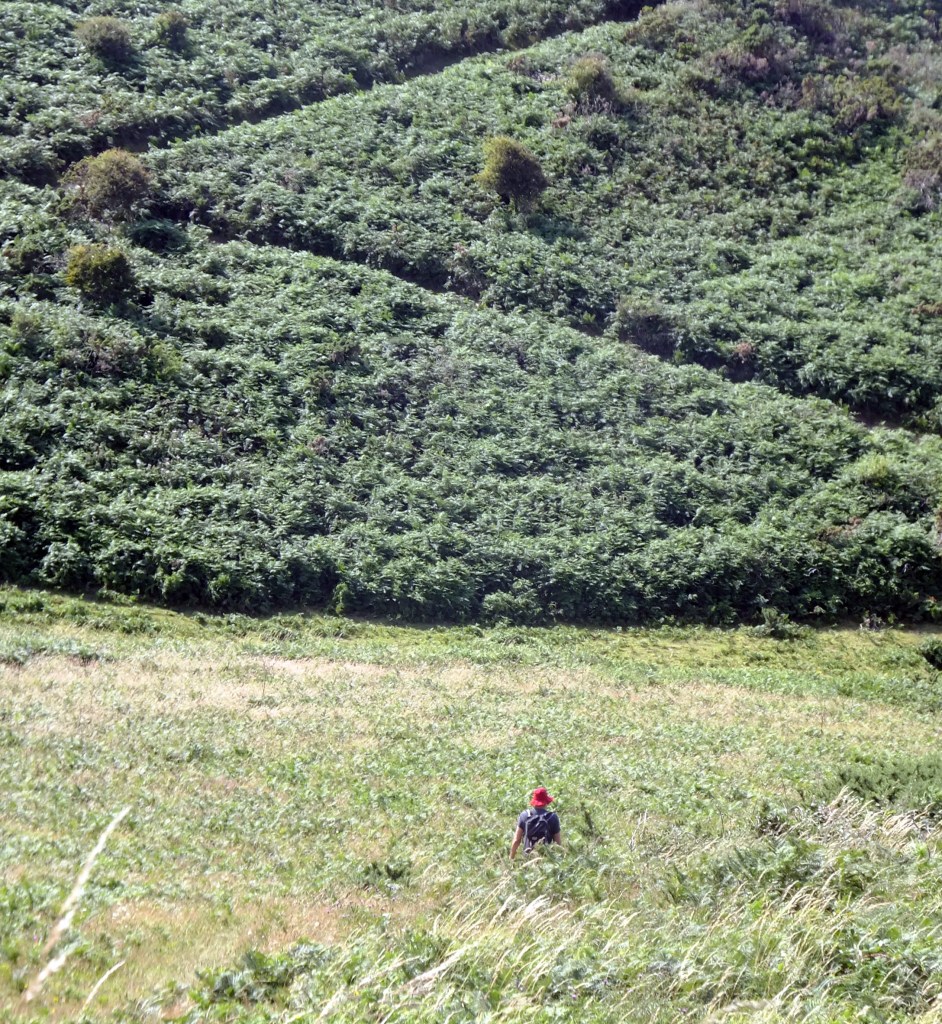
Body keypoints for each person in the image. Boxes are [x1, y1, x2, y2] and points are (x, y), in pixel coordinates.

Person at [510, 786, 561, 859]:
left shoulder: (524, 815)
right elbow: (558, 843)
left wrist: (511, 859)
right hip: (546, 858)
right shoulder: (552, 817)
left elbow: (516, 840)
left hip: (528, 857)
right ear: (546, 802)